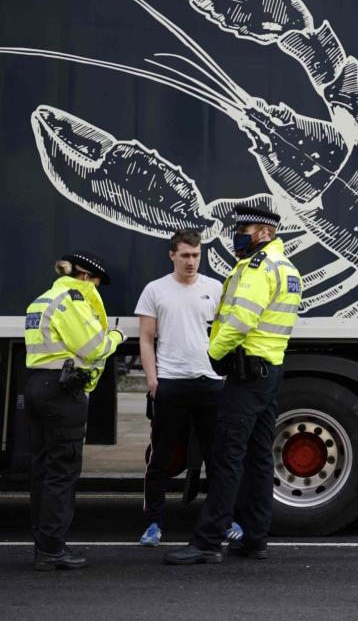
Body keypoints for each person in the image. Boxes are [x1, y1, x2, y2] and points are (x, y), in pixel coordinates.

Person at [165, 206, 302, 565]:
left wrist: (214, 352)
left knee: (227, 459)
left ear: (265, 233)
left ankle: (208, 542)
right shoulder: (286, 268)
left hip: (245, 377)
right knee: (258, 460)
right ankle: (255, 539)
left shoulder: (258, 269)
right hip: (268, 374)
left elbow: (240, 320)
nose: (238, 233)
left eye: (245, 228)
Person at [23, 250, 125, 571]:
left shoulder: (42, 299)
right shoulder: (73, 300)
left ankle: (43, 543)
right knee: (62, 472)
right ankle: (52, 549)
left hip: (39, 384)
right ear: (85, 277)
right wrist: (117, 336)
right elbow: (94, 346)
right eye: (96, 283)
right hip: (63, 393)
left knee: (42, 470)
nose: (96, 290)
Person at [135, 230, 227, 547]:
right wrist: (152, 380)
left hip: (209, 384)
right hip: (171, 384)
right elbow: (146, 339)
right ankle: (153, 525)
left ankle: (223, 522)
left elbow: (227, 333)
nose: (191, 261)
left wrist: (223, 375)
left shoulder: (215, 288)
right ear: (172, 255)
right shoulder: (155, 290)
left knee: (218, 461)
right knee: (160, 458)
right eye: (186, 255)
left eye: (196, 255)